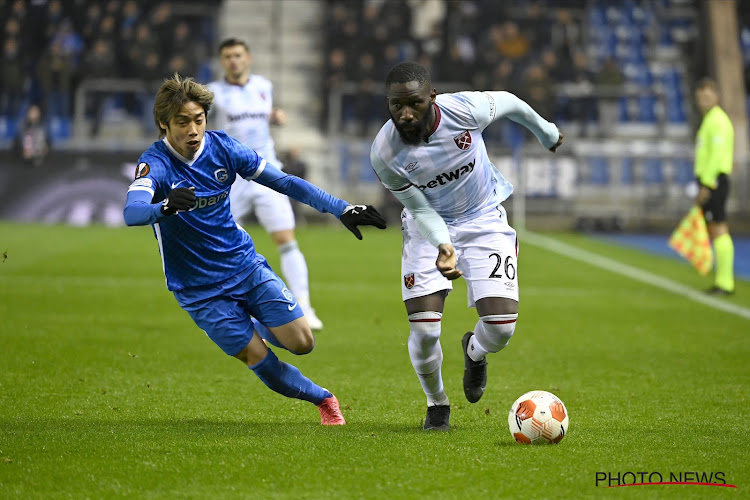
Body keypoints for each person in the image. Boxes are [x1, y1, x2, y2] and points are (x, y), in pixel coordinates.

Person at [123, 74, 386, 425]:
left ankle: (256, 324)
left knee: (302, 342)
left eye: (198, 120)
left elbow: (285, 182)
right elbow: (132, 212)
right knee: (258, 357)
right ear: (163, 123)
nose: (193, 130)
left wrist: (340, 208)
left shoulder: (224, 149)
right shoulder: (155, 163)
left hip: (244, 267)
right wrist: (165, 207)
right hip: (198, 289)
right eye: (182, 122)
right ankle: (323, 400)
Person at [370, 61, 562, 431]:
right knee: (425, 331)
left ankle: (475, 351)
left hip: (483, 219)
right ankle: (437, 403)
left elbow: (510, 102)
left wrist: (547, 132)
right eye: (396, 106)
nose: (406, 114)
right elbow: (418, 207)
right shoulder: (384, 153)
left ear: (432, 97)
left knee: (502, 326)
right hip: (428, 228)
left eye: (414, 104)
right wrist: (442, 244)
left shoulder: (464, 110)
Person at [207, 38, 325, 330]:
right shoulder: (212, 93)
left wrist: (274, 117)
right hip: (230, 178)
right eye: (227, 57)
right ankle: (239, 307)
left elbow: (257, 118)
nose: (233, 61)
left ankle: (305, 309)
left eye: (238, 55)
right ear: (222, 62)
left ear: (248, 58)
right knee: (226, 245)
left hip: (266, 173)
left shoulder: (264, 86)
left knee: (286, 240)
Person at [693, 78, 735, 295]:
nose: (704, 99)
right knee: (714, 228)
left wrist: (706, 184)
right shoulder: (710, 120)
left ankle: (725, 282)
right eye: (701, 96)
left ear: (717, 96)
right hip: (710, 180)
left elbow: (717, 156)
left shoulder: (718, 121)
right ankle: (722, 279)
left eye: (708, 95)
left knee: (718, 227)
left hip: (715, 180)